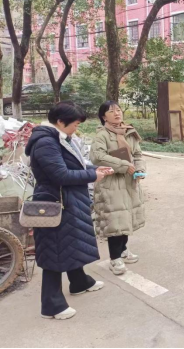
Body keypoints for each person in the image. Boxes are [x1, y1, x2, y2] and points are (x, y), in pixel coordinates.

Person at [25, 102, 113, 320]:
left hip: (69, 201)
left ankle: (79, 281)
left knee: (70, 243)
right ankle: (51, 305)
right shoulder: (46, 142)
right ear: (60, 122)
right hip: (56, 203)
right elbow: (61, 175)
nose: (77, 128)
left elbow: (75, 166)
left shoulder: (60, 138)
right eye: (75, 124)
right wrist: (93, 176)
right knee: (54, 251)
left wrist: (95, 169)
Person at [91, 101, 146, 276]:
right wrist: (124, 165)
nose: (117, 113)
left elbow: (137, 154)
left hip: (129, 182)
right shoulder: (102, 135)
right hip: (111, 183)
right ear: (103, 116)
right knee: (115, 221)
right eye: (111, 111)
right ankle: (115, 259)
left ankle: (123, 250)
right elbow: (97, 157)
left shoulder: (129, 132)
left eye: (118, 110)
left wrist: (139, 169)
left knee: (126, 217)